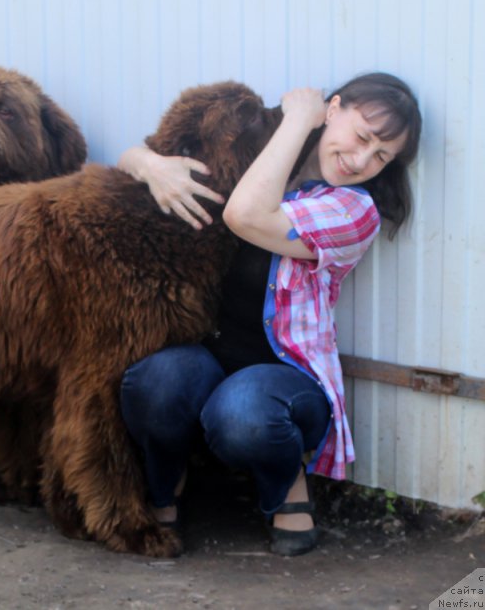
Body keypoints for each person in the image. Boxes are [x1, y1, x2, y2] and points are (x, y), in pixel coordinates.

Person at [118, 73, 422, 556]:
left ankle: (284, 482)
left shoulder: (353, 210)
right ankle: (166, 479)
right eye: (362, 136)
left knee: (242, 412)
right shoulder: (253, 151)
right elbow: (128, 158)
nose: (362, 160)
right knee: (154, 382)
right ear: (335, 108)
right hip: (209, 355)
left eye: (381, 155)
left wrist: (301, 120)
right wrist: (151, 165)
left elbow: (245, 216)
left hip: (286, 380)